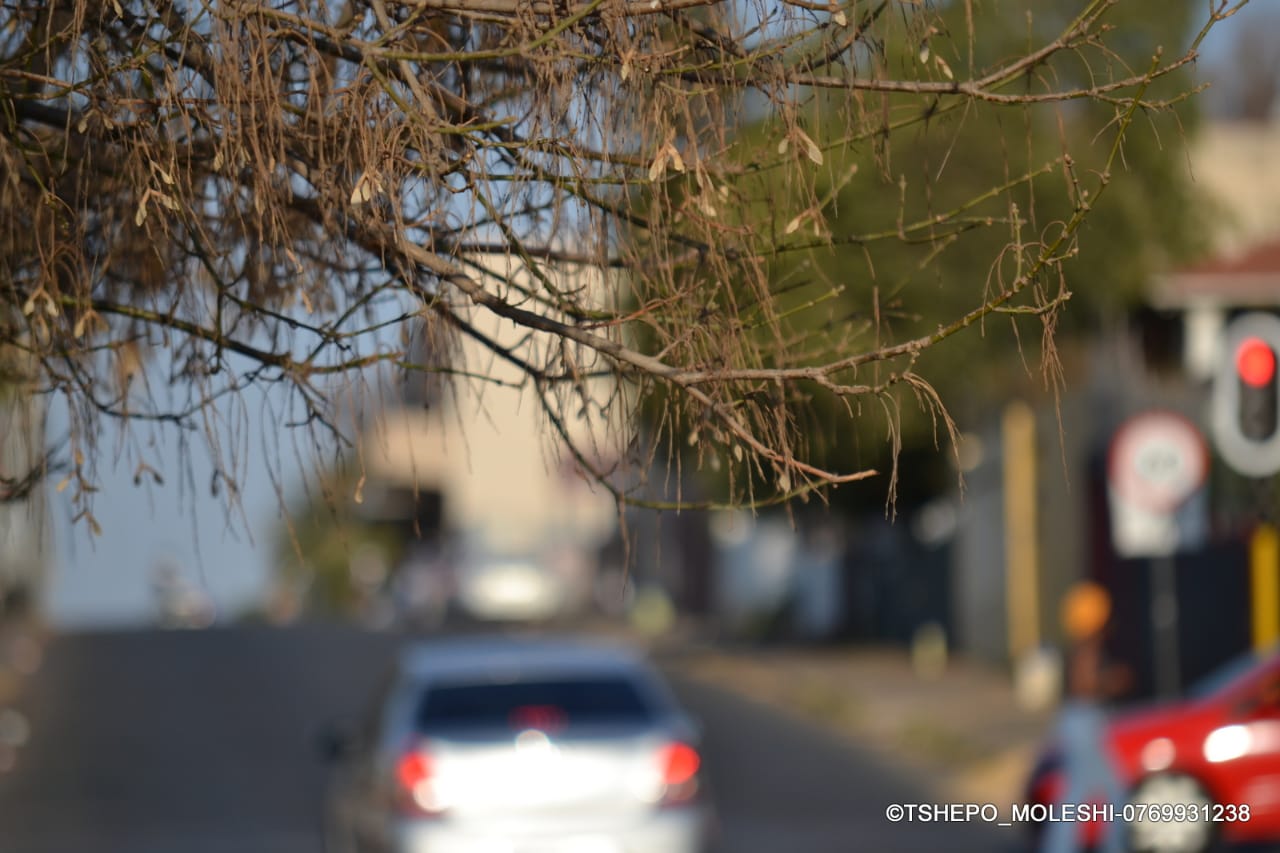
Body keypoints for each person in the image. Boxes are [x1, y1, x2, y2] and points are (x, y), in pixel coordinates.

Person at [1042, 581, 1130, 853]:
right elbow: (1085, 685)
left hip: (1077, 721)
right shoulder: (1089, 645)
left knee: (1082, 794)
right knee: (1111, 791)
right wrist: (1113, 681)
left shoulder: (1079, 644)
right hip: (1085, 721)